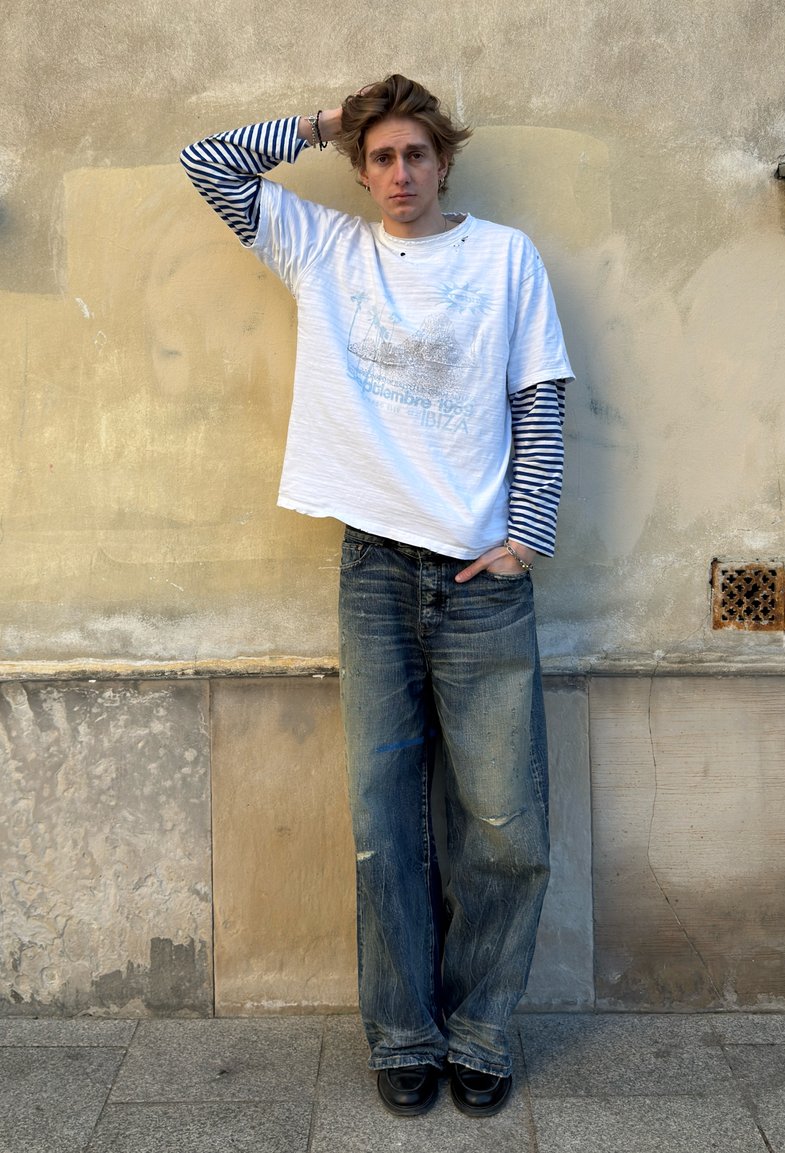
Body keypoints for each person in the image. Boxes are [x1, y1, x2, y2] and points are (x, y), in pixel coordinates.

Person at [180, 74, 573, 1118]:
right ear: (360, 170)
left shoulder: (501, 257)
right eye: (380, 158)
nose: (399, 174)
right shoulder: (324, 248)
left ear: (445, 160)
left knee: (504, 825)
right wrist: (319, 122)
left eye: (414, 154)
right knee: (382, 820)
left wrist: (524, 537)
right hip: (372, 573)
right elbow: (206, 163)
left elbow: (539, 394)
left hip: (478, 579)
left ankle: (482, 1026)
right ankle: (404, 1030)